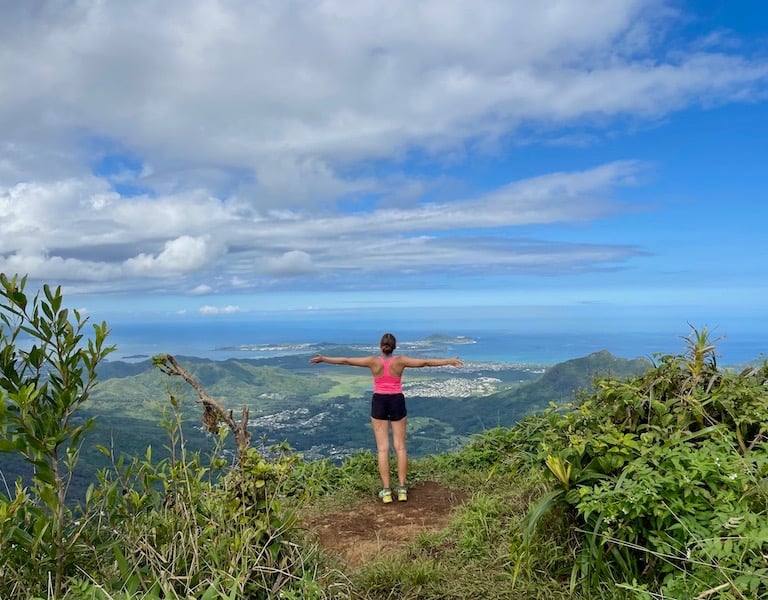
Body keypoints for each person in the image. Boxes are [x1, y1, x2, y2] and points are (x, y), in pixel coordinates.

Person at [310, 332, 463, 503]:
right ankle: (403, 489)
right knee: (401, 447)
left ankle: (387, 491)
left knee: (383, 448)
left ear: (381, 346)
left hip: (379, 401)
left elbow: (346, 360)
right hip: (397, 400)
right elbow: (425, 363)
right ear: (394, 347)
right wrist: (449, 361)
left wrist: (324, 358)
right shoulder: (400, 361)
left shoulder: (373, 361)